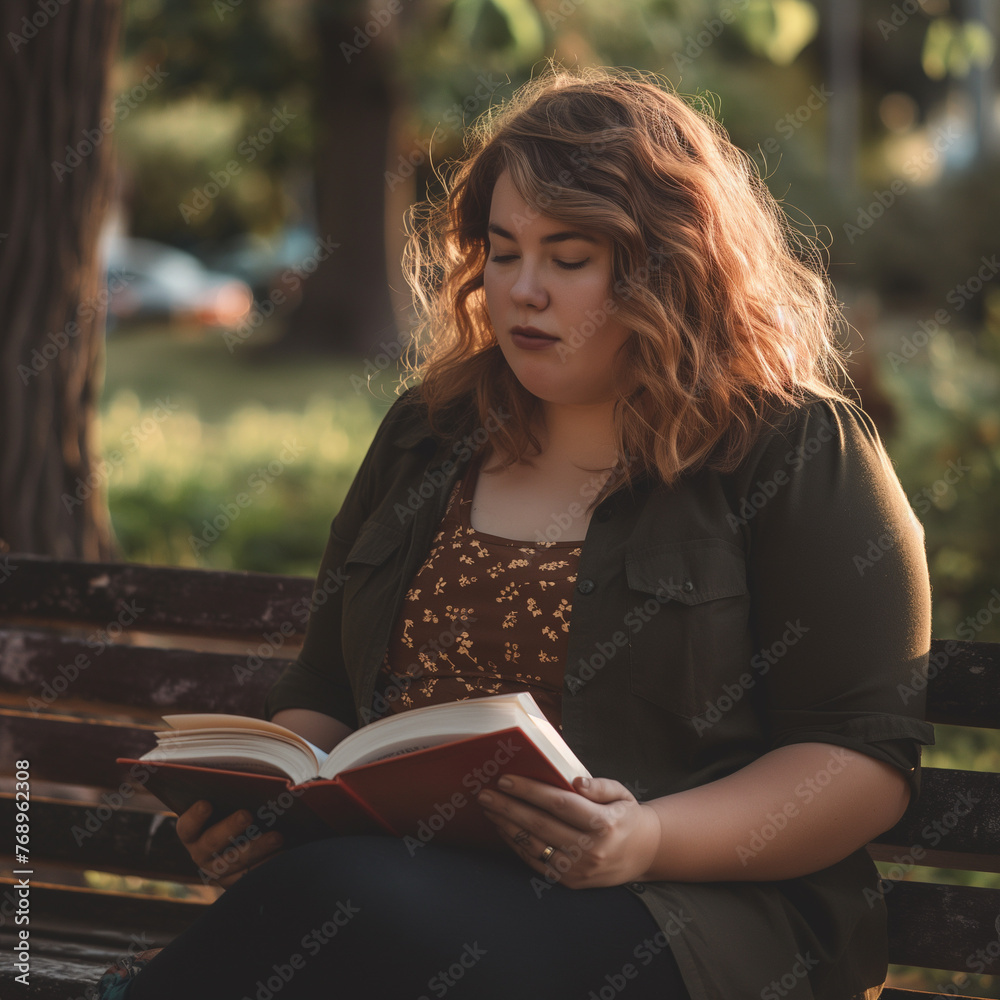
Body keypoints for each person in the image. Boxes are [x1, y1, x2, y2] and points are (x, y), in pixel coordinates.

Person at [97, 68, 934, 1000]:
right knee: (344, 908)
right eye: (502, 252)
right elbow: (325, 693)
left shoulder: (792, 448)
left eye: (567, 259)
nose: (521, 291)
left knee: (350, 910)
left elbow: (858, 764)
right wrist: (269, 811)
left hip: (690, 915)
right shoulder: (430, 435)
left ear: (669, 264)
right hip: (406, 899)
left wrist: (644, 838)